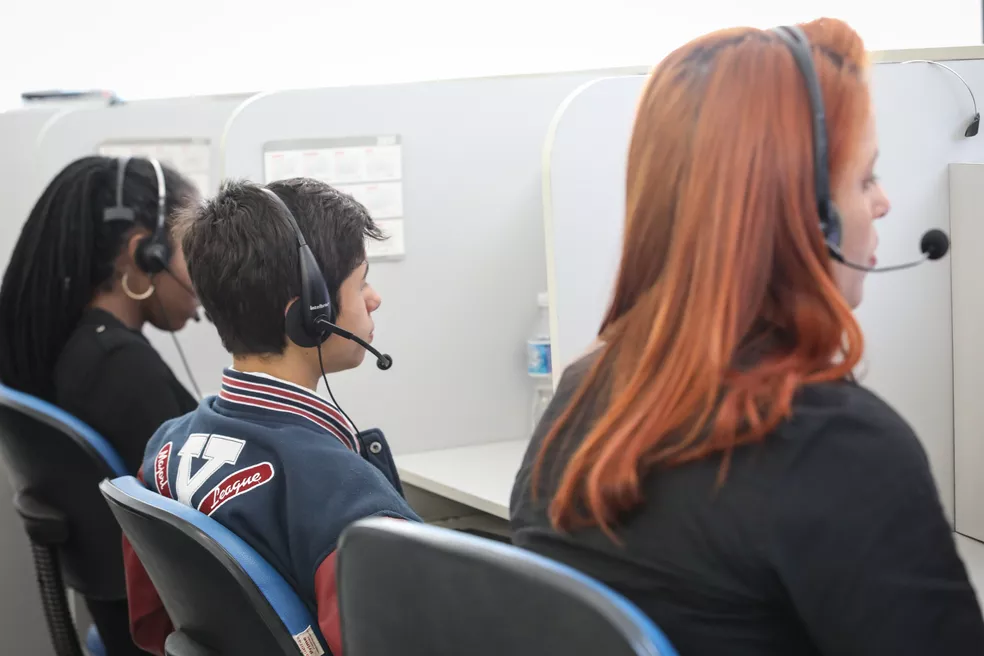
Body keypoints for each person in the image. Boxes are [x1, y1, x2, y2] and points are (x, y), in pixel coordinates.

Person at [510, 18, 984, 655]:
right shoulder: (837, 448)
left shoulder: (583, 396)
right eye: (866, 177)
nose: (885, 204)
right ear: (807, 219)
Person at [123, 178, 420, 656]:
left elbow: (155, 626)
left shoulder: (165, 447)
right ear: (310, 313)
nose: (374, 298)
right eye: (361, 282)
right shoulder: (340, 499)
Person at [0, 155, 201, 656]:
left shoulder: (86, 350)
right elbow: (208, 531)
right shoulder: (119, 370)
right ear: (144, 252)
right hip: (175, 637)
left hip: (130, 633)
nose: (203, 274)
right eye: (192, 250)